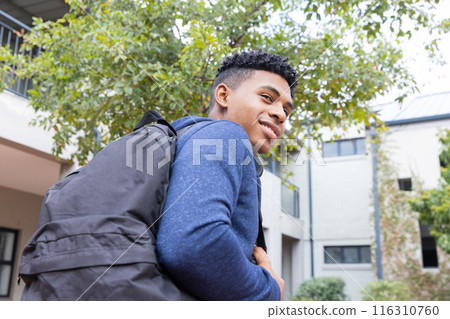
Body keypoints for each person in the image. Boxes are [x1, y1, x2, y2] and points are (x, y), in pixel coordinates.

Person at [156, 49, 298, 300]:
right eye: (267, 97)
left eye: (287, 111)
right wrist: (270, 289)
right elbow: (194, 246)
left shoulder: (188, 139)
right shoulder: (226, 134)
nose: (280, 115)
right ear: (223, 95)